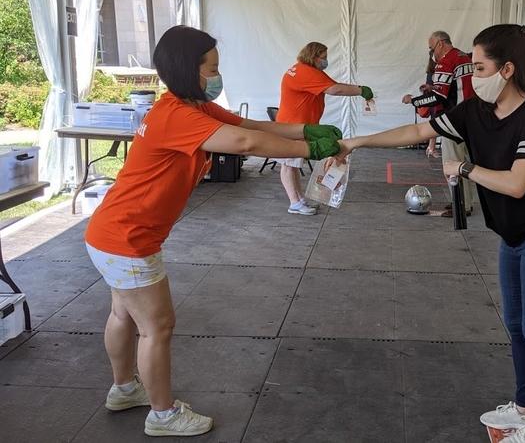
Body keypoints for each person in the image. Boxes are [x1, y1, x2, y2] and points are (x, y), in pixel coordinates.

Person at [83, 26, 340, 437]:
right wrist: (310, 150)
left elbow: (251, 126)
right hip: (128, 239)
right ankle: (162, 415)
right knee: (157, 326)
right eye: (212, 68)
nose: (217, 76)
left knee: (123, 314)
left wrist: (304, 131)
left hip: (112, 232)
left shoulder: (190, 106)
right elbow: (243, 143)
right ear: (190, 69)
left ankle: (125, 389)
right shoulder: (177, 116)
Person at [333, 24, 525, 443]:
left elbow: (517, 184)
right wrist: (356, 142)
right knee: (516, 325)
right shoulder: (475, 111)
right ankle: (524, 408)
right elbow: (416, 131)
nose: (473, 75)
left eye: (479, 67)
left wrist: (463, 168)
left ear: (508, 69)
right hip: (512, 234)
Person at [275, 41, 374, 215]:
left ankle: (298, 199)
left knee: (293, 164)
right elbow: (335, 89)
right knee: (289, 165)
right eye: (324, 57)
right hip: (293, 127)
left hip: (296, 125)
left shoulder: (302, 70)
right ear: (313, 57)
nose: (326, 61)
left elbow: (334, 85)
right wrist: (361, 90)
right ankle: (294, 202)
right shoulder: (306, 72)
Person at [407, 31, 476, 217]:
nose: (431, 53)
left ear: (440, 44)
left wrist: (414, 101)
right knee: (467, 163)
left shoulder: (446, 61)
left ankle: (460, 206)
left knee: (452, 164)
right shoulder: (465, 57)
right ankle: (467, 202)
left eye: (431, 48)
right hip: (472, 117)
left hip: (454, 120)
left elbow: (439, 96)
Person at [402, 53, 439, 157]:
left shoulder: (440, 69)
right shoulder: (431, 72)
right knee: (434, 123)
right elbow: (431, 88)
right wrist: (426, 88)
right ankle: (431, 147)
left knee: (436, 123)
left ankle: (431, 147)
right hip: (434, 102)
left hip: (438, 100)